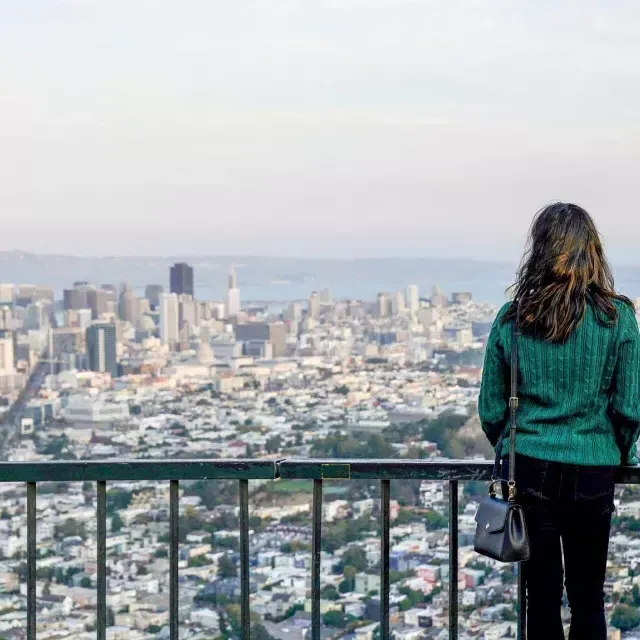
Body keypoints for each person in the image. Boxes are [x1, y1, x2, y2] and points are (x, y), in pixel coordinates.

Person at [478, 202, 640, 640]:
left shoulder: (513, 320)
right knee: (588, 598)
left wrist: (518, 440)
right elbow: (629, 408)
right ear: (593, 252)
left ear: (539, 250)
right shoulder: (618, 318)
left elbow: (491, 409)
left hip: (530, 464)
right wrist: (619, 453)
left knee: (541, 597)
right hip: (594, 468)